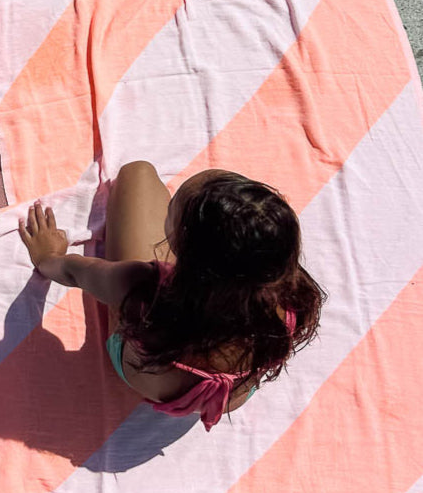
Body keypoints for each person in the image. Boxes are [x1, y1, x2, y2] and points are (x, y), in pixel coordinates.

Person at [18, 161, 326, 431]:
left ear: (180, 249)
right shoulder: (291, 298)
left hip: (152, 380)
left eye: (173, 213)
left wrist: (48, 256)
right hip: (231, 395)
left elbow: (74, 272)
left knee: (138, 172)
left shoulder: (143, 287)